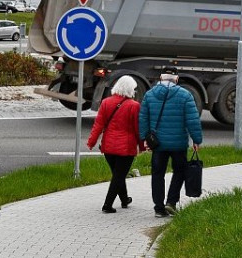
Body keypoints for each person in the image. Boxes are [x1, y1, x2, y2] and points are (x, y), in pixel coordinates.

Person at [139, 66, 203, 218]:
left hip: (158, 144)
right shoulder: (185, 95)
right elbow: (192, 120)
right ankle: (171, 202)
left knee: (157, 174)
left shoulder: (149, 95)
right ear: (177, 79)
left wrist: (145, 139)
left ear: (160, 79)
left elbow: (143, 119)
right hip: (178, 144)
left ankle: (159, 208)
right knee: (179, 171)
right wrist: (196, 139)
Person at [87, 75, 144, 214]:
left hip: (108, 147)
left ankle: (124, 199)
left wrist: (92, 142)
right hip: (126, 148)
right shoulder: (134, 106)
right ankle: (107, 205)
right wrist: (142, 146)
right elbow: (138, 128)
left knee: (118, 174)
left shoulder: (106, 102)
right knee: (118, 176)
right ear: (131, 89)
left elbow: (98, 124)